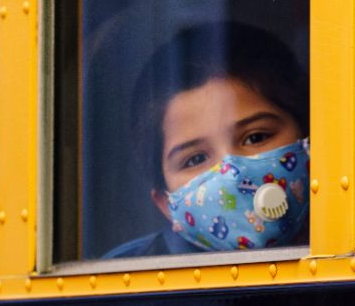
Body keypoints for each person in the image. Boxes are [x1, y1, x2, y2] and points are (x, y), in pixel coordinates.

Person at [104, 21, 309, 258]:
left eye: (256, 137)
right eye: (195, 159)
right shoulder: (129, 279)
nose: (232, 173)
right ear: (165, 204)